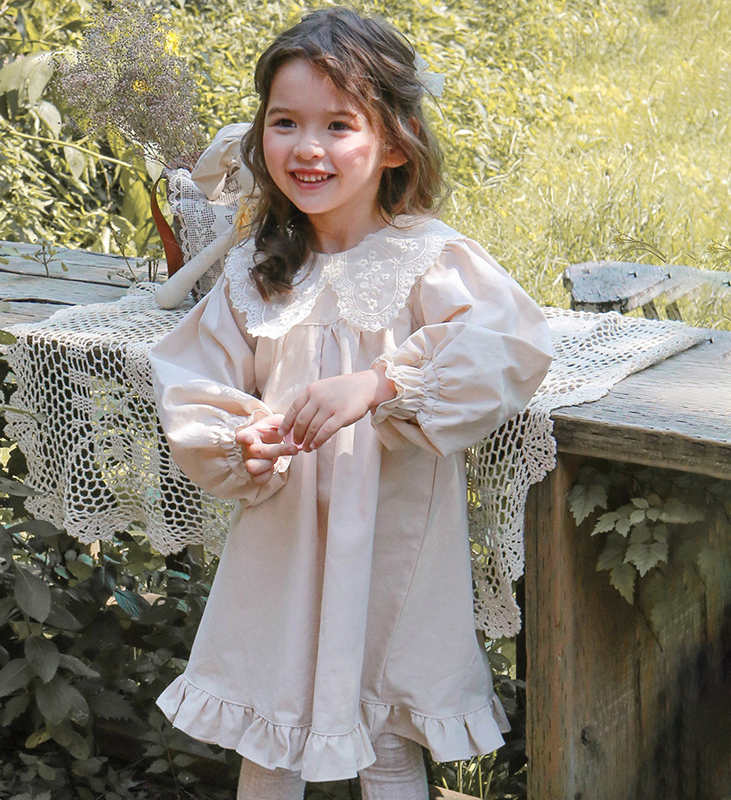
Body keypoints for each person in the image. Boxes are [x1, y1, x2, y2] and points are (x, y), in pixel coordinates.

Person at [150, 8, 552, 799]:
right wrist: (237, 441)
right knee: (270, 738)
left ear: (396, 142)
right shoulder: (258, 274)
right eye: (285, 122)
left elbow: (510, 344)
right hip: (285, 544)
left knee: (387, 738)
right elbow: (192, 376)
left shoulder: (427, 258)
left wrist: (381, 383)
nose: (308, 147)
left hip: (395, 544)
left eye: (338, 125)